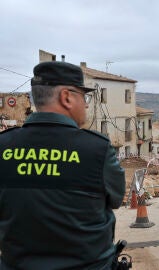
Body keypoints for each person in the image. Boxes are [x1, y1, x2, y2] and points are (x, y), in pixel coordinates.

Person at [0, 61, 126, 270]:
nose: (86, 105)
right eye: (83, 97)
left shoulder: (3, 146)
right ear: (66, 97)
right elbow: (116, 199)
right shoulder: (97, 149)